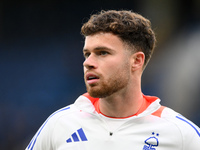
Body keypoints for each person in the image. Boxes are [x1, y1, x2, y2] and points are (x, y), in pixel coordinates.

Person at [26, 10, 200, 150]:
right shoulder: (59, 124)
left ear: (136, 61)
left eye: (102, 53)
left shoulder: (180, 133)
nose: (88, 63)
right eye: (87, 54)